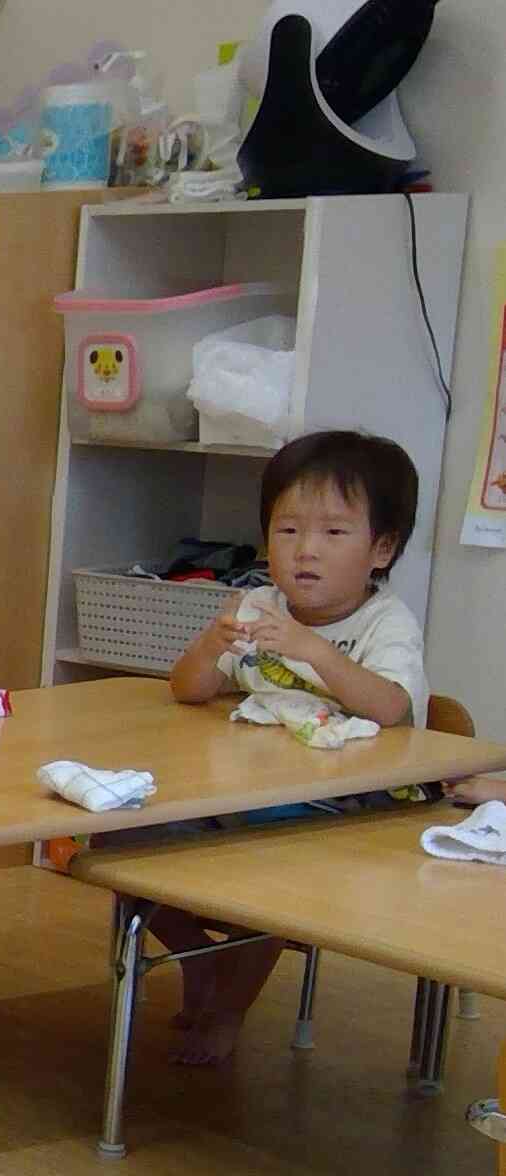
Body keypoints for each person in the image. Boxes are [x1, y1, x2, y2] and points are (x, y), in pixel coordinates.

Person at [148, 428, 430, 1066]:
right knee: (115, 839)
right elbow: (188, 691)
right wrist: (211, 644)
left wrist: (313, 651)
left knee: (264, 883)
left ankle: (226, 1012)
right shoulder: (259, 602)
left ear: (380, 549)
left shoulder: (386, 623)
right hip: (240, 786)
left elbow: (394, 709)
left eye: (334, 533)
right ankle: (201, 959)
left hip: (339, 806)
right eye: (288, 530)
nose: (307, 551)